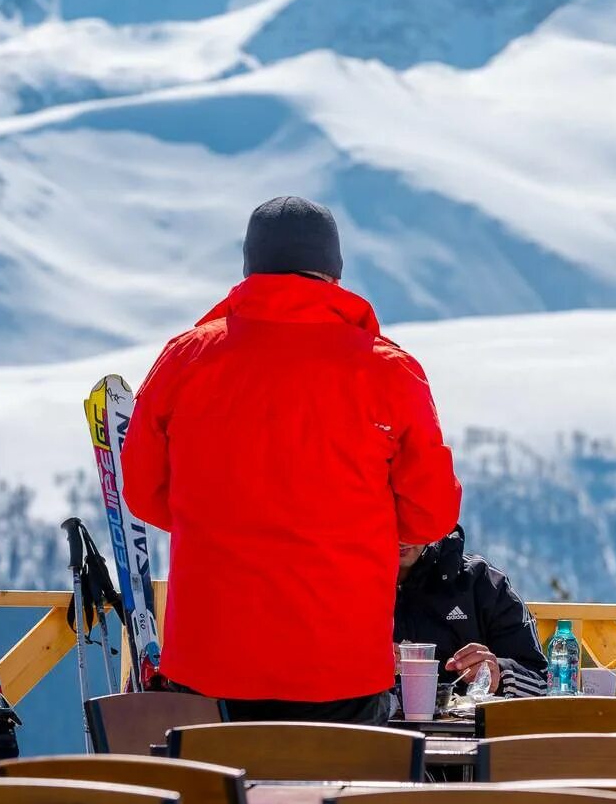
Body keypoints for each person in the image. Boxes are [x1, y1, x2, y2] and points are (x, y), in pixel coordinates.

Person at [123, 195, 462, 725]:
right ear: (335, 271)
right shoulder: (389, 372)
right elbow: (431, 516)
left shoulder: (185, 360)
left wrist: (221, 519)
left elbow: (144, 492)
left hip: (210, 660)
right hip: (340, 666)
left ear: (249, 265)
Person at [393, 525, 550, 699]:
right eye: (386, 522)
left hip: (472, 725)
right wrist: (363, 666)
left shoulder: (481, 582)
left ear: (433, 516)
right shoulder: (357, 587)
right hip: (370, 724)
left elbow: (542, 683)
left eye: (410, 519)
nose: (401, 537)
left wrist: (499, 674)